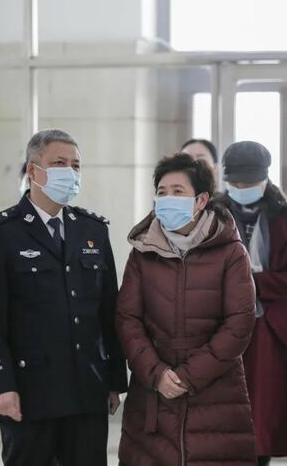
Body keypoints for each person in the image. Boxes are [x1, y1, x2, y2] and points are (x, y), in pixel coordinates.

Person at [0, 129, 127, 465]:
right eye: (59, 163)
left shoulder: (92, 230)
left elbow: (108, 311)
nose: (70, 172)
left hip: (86, 390)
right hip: (29, 392)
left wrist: (115, 379)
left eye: (76, 165)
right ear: (33, 170)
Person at [116, 153, 257, 465]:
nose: (168, 199)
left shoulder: (231, 252)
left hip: (215, 389)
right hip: (152, 391)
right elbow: (127, 318)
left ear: (201, 200)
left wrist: (188, 377)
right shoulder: (142, 252)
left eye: (178, 191)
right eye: (162, 192)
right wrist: (157, 374)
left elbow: (239, 323)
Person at [218, 141, 287, 464]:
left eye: (249, 182)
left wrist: (253, 282)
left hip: (269, 330)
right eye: (237, 182)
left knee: (263, 415)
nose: (242, 188)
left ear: (264, 180)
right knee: (220, 420)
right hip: (218, 325)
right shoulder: (213, 214)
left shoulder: (284, 219)